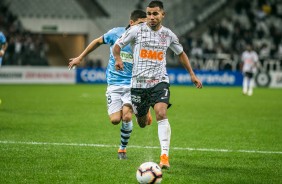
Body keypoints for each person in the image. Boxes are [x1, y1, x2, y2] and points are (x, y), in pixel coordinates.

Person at [113, 0, 202, 169]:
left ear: (163, 14)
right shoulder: (136, 31)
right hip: (138, 85)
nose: (151, 17)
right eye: (149, 14)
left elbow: (181, 53)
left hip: (159, 82)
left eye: (155, 14)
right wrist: (118, 59)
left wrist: (192, 74)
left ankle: (164, 156)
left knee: (161, 112)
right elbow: (117, 46)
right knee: (141, 121)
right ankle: (145, 112)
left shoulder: (168, 35)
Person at [68, 10, 148, 160]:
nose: (143, 27)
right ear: (132, 23)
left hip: (132, 84)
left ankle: (122, 149)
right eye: (141, 24)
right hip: (114, 84)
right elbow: (97, 41)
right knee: (115, 120)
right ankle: (142, 111)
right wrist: (80, 57)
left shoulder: (144, 41)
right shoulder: (115, 33)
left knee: (126, 116)